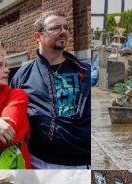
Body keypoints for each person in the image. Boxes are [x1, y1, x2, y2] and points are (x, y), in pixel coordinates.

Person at [10, 10, 91, 169]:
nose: (63, 32)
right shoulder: (22, 76)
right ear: (37, 36)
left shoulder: (82, 72)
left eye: (66, 28)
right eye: (55, 28)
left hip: (78, 165)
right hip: (36, 161)